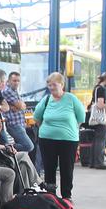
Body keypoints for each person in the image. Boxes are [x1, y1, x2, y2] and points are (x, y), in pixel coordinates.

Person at [32, 72, 86, 200]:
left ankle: (66, 196)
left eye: (54, 85)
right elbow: (37, 118)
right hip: (47, 140)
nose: (51, 87)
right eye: (49, 85)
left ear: (61, 85)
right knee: (49, 168)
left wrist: (68, 128)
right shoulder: (46, 100)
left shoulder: (71, 99)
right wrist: (46, 130)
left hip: (68, 140)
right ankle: (51, 197)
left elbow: (81, 118)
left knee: (66, 168)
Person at [0, 105, 40, 189]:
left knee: (23, 165)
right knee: (23, 155)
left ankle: (26, 190)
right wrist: (6, 147)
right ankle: (38, 183)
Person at [0, 70, 35, 154]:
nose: (16, 83)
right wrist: (18, 106)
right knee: (29, 146)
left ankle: (10, 152)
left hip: (20, 124)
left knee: (21, 152)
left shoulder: (14, 91)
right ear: (8, 81)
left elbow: (23, 106)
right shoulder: (8, 91)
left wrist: (18, 106)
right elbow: (21, 106)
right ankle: (6, 148)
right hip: (14, 125)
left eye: (18, 81)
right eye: (14, 80)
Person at [87, 72, 106, 170]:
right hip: (100, 118)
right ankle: (99, 163)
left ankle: (93, 162)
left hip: (94, 117)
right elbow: (100, 105)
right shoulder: (101, 90)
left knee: (96, 139)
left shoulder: (96, 88)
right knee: (100, 140)